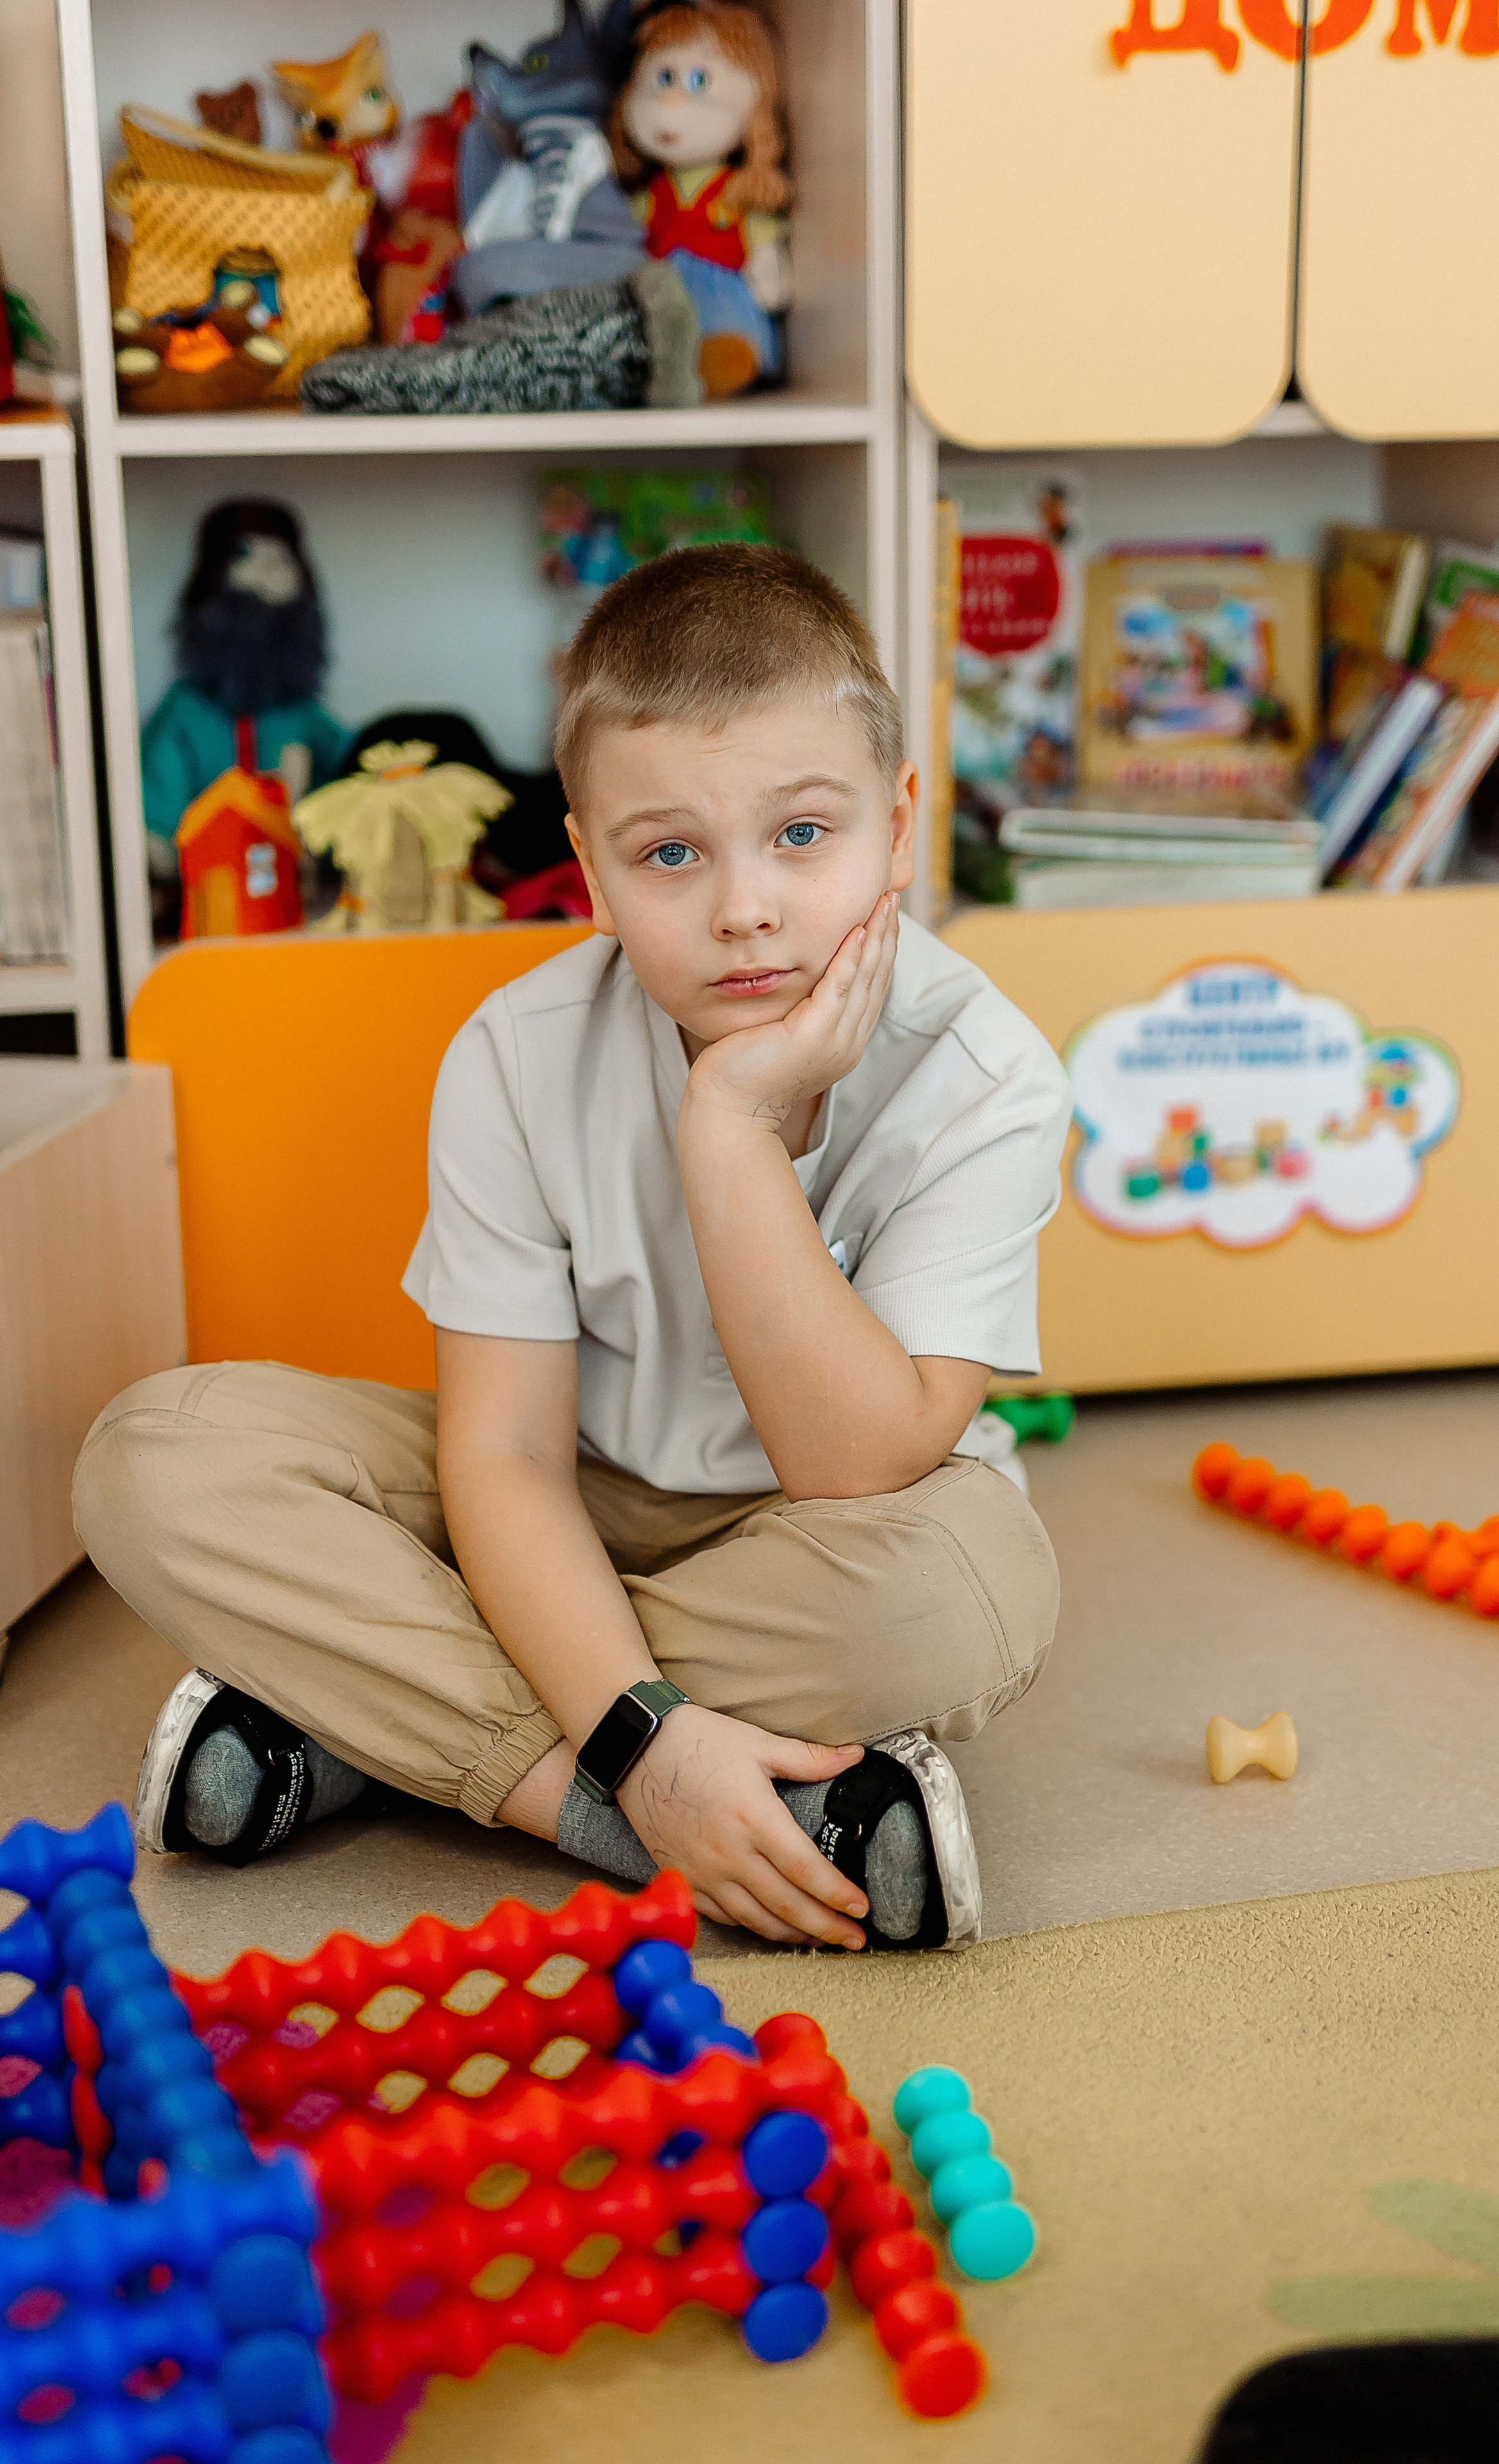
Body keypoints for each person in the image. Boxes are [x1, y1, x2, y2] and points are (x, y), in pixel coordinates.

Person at [74, 545, 1073, 1953]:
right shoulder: (514, 1054)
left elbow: (854, 1464)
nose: (744, 907)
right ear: (591, 870)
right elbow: (507, 1461)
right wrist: (644, 1760)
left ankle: (371, 1723)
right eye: (670, 852)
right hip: (562, 1496)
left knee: (972, 1589)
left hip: (822, 1540)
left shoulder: (985, 1075)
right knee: (154, 1454)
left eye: (802, 834)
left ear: (898, 827)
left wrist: (727, 1126)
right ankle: (613, 1807)